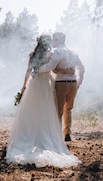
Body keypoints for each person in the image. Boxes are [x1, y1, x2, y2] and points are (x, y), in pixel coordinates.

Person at [5, 34, 80, 168]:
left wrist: (24, 86)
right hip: (47, 83)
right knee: (47, 110)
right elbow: (52, 69)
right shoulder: (51, 54)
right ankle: (47, 134)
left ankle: (30, 134)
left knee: (32, 109)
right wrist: (64, 72)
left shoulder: (32, 54)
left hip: (35, 82)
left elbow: (28, 70)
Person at [35, 32, 85, 142]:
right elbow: (81, 68)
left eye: (53, 40)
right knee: (68, 109)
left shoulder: (57, 51)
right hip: (73, 83)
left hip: (61, 83)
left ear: (57, 40)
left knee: (58, 110)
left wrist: (38, 69)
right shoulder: (73, 52)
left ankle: (56, 135)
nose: (52, 42)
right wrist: (78, 83)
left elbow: (50, 66)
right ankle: (67, 132)